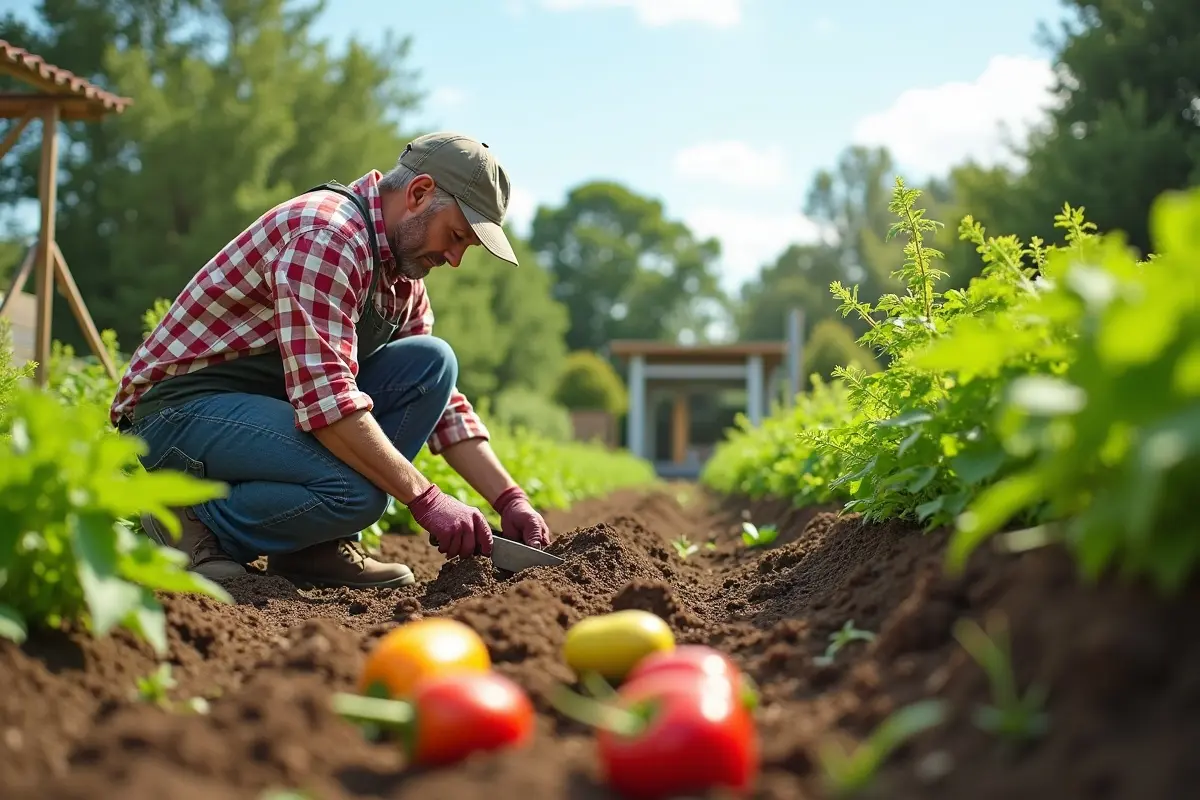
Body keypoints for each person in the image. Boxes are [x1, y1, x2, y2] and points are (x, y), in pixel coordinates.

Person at [109, 132, 553, 589]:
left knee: (431, 363)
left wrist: (510, 499)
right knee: (356, 493)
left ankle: (310, 551)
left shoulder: (401, 277)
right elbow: (326, 401)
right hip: (179, 413)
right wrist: (426, 499)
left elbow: (443, 409)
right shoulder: (327, 235)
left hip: (264, 408)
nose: (455, 258)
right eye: (456, 236)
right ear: (419, 193)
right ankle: (192, 520)